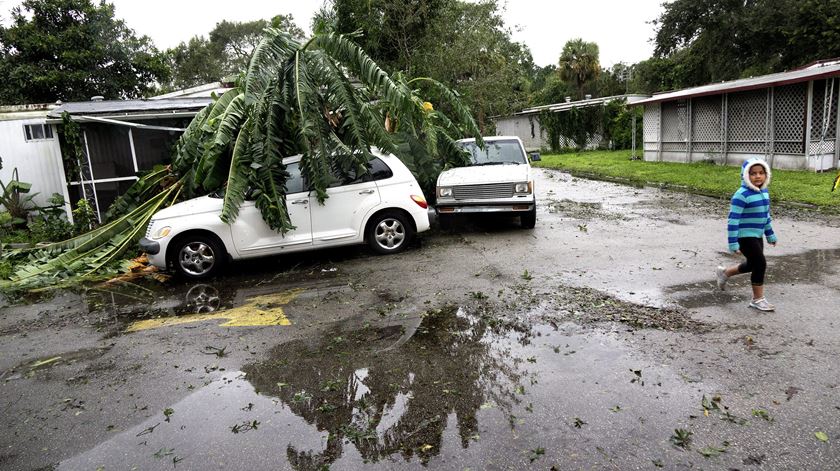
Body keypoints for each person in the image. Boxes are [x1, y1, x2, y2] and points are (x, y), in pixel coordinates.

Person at [715, 158, 778, 311]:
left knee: (752, 264)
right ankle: (757, 300)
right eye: (753, 173)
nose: (758, 176)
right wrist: (733, 242)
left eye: (761, 173)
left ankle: (725, 273)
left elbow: (765, 216)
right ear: (745, 175)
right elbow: (733, 220)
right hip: (744, 236)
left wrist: (770, 234)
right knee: (760, 264)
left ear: (766, 175)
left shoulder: (764, 192)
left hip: (757, 235)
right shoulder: (741, 195)